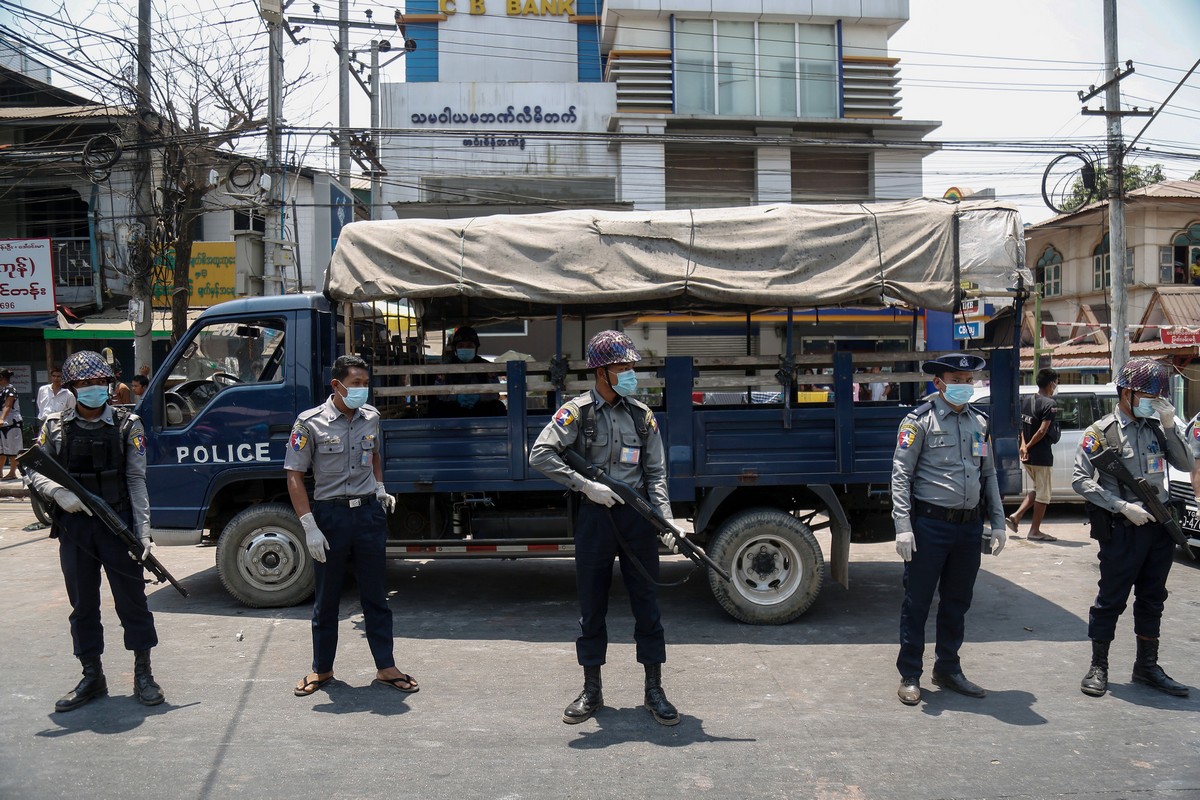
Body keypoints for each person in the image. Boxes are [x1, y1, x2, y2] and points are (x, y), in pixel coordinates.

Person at [529, 330, 687, 726]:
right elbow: (540, 454)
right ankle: (592, 690)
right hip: (596, 518)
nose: (631, 373)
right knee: (592, 608)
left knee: (647, 607)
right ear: (601, 372)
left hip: (637, 518)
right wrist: (586, 486)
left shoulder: (642, 414)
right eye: (623, 367)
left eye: (632, 366)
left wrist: (664, 521)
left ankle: (654, 689)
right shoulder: (576, 412)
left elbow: (656, 474)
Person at [27, 351, 164, 711]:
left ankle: (143, 673)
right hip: (74, 529)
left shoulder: (127, 424)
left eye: (97, 383)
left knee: (132, 603)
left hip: (117, 526)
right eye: (84, 384)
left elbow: (136, 481)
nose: (92, 389)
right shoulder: (55, 425)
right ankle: (92, 674)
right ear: (72, 388)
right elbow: (34, 469)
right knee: (83, 605)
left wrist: (145, 534)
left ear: (108, 384)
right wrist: (57, 492)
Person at [285, 354, 418, 698]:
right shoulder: (309, 422)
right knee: (326, 599)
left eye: (364, 383)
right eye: (355, 383)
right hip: (330, 517)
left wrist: (380, 487)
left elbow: (373, 454)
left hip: (368, 516)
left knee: (376, 595)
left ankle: (386, 667)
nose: (362, 389)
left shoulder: (371, 417)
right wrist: (308, 525)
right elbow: (295, 475)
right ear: (337, 385)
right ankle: (322, 669)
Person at [1071, 357, 1192, 698]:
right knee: (1111, 599)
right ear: (1126, 393)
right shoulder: (1100, 432)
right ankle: (1099, 667)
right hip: (1123, 528)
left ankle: (1147, 667)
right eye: (1147, 395)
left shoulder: (1156, 427)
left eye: (1157, 397)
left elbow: (1185, 463)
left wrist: (1170, 426)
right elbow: (1081, 480)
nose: (1153, 402)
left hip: (1159, 527)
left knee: (1153, 597)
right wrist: (1120, 505)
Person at [890, 353, 1006, 706]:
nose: (966, 386)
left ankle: (948, 668)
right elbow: (901, 475)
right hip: (929, 527)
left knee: (958, 601)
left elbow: (988, 474)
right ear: (939, 383)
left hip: (968, 528)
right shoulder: (918, 422)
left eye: (969, 380)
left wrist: (998, 521)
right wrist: (903, 527)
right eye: (958, 379)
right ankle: (911, 674)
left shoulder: (979, 423)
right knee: (918, 602)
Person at [1006, 368, 1060, 541]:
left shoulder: (1026, 401)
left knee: (1038, 489)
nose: (1056, 386)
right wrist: (1028, 446)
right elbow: (1043, 430)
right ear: (1052, 383)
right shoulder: (1049, 404)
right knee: (1044, 495)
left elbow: (1022, 427)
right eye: (1056, 382)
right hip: (1041, 456)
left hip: (1027, 457)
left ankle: (1016, 516)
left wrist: (1023, 446)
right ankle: (1034, 531)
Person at [430, 326, 505, 417]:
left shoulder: (486, 366)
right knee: (437, 407)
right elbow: (439, 393)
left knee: (498, 407)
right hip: (454, 408)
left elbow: (494, 394)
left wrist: (479, 397)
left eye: (469, 346)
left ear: (475, 348)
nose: (465, 348)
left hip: (480, 408)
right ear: (455, 348)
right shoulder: (445, 367)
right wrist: (456, 398)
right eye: (461, 346)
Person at [0, 367, 25, 480]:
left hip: (11, 423)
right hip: (2, 424)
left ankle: (12, 472)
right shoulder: (1, 390)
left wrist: (2, 418)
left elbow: (8, 405)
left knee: (13, 449)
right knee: (1, 450)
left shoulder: (11, 390)